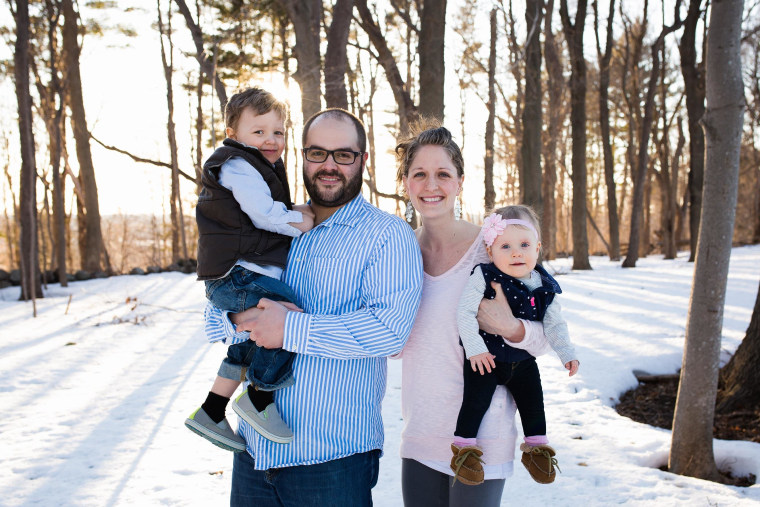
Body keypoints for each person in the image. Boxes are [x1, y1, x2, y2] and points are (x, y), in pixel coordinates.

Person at [206, 108, 423, 505]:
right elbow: (215, 311)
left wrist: (289, 329)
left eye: (343, 155)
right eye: (317, 153)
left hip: (330, 462)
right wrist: (237, 317)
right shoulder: (271, 224)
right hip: (253, 456)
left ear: (362, 160)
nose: (328, 166)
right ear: (301, 155)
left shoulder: (387, 236)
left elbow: (389, 332)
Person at [396, 124, 551, 507]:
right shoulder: (397, 255)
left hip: (482, 436)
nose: (432, 185)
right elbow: (391, 341)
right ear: (405, 183)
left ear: (460, 182)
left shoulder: (493, 249)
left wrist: (511, 328)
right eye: (420, 174)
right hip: (421, 430)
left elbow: (545, 335)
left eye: (443, 174)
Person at [185, 87, 314, 451]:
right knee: (286, 315)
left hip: (236, 272)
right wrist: (302, 221)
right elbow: (263, 213)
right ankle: (258, 398)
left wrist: (295, 212)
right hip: (234, 273)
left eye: (278, 132)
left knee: (250, 340)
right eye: (258, 132)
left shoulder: (260, 166)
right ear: (233, 134)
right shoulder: (237, 164)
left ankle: (211, 410)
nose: (270, 140)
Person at [452, 204, 580, 486]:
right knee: (475, 401)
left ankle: (537, 448)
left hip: (522, 361)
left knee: (533, 400)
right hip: (485, 356)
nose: (516, 253)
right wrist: (474, 347)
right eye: (505, 246)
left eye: (524, 244)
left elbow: (554, 324)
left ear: (537, 248)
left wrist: (566, 352)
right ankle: (463, 449)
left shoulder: (543, 285)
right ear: (491, 251)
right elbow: (464, 312)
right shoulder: (484, 276)